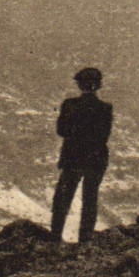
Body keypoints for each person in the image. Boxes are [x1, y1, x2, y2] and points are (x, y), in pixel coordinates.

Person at [50, 66, 113, 243]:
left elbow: (61, 130)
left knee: (62, 198)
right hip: (96, 159)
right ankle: (85, 240)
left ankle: (55, 238)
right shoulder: (105, 108)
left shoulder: (69, 105)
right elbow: (103, 136)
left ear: (79, 85)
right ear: (98, 85)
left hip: (72, 158)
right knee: (90, 199)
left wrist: (76, 133)